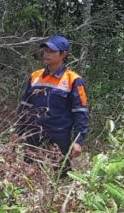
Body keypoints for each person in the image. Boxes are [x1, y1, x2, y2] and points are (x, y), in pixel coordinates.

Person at [17, 35, 89, 173]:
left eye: (52, 51)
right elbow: (25, 106)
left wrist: (78, 141)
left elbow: (81, 112)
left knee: (59, 176)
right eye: (45, 50)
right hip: (34, 134)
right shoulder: (35, 76)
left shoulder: (74, 80)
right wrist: (18, 131)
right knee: (28, 174)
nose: (46, 54)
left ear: (63, 54)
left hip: (59, 136)